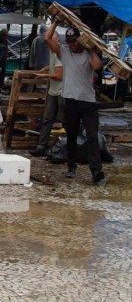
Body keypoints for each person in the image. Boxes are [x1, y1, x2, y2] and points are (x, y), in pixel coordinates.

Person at [44, 21, 106, 185]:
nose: (71, 44)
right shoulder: (64, 52)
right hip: (70, 101)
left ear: (80, 40)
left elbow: (97, 65)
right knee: (71, 136)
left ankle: (96, 171)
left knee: (92, 136)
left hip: (88, 103)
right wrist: (55, 21)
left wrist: (91, 49)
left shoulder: (88, 54)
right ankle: (71, 166)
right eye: (69, 41)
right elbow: (47, 38)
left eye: (74, 41)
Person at [30, 32, 65, 157]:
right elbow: (55, 68)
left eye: (50, 40)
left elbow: (59, 75)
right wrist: (47, 68)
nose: (48, 43)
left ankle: (69, 146)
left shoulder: (59, 52)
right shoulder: (52, 51)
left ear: (57, 40)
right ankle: (41, 146)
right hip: (53, 91)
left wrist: (44, 75)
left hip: (61, 92)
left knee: (66, 121)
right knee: (47, 119)